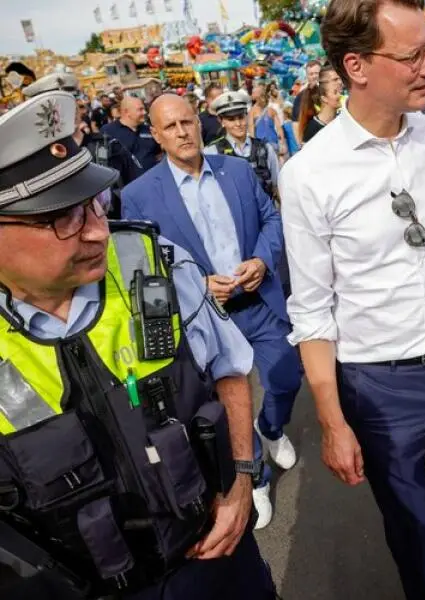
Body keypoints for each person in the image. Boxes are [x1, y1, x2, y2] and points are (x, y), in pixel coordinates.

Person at [0, 90, 276, 599]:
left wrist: (240, 483)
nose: (97, 232)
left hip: (216, 558)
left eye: (96, 205)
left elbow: (229, 370)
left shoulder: (156, 263)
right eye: (64, 217)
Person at [279, 0, 425, 597]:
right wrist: (332, 420)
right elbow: (311, 310)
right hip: (377, 387)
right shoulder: (309, 174)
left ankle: (420, 527)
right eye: (414, 55)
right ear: (356, 65)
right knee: (416, 552)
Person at [121, 94, 303, 531]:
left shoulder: (236, 171)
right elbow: (139, 268)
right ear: (156, 135)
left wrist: (260, 260)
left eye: (187, 122)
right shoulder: (139, 195)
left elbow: (272, 219)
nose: (182, 132)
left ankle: (272, 428)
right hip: (205, 317)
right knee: (227, 402)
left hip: (258, 303)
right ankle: (254, 474)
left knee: (286, 377)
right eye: (170, 127)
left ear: (200, 125)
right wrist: (197, 285)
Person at [22, 72, 140, 219]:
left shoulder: (109, 147)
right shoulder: (33, 159)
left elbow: (137, 190)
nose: (67, 113)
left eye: (72, 106)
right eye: (56, 109)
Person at [205, 90, 281, 201]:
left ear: (247, 116)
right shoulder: (212, 153)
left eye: (241, 117)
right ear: (221, 121)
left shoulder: (265, 148)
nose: (238, 124)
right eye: (231, 119)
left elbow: (276, 186)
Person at [101, 96, 162, 174]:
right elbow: (103, 161)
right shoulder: (108, 131)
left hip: (154, 180)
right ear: (127, 112)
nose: (145, 112)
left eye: (144, 109)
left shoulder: (148, 129)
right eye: (140, 109)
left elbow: (158, 155)